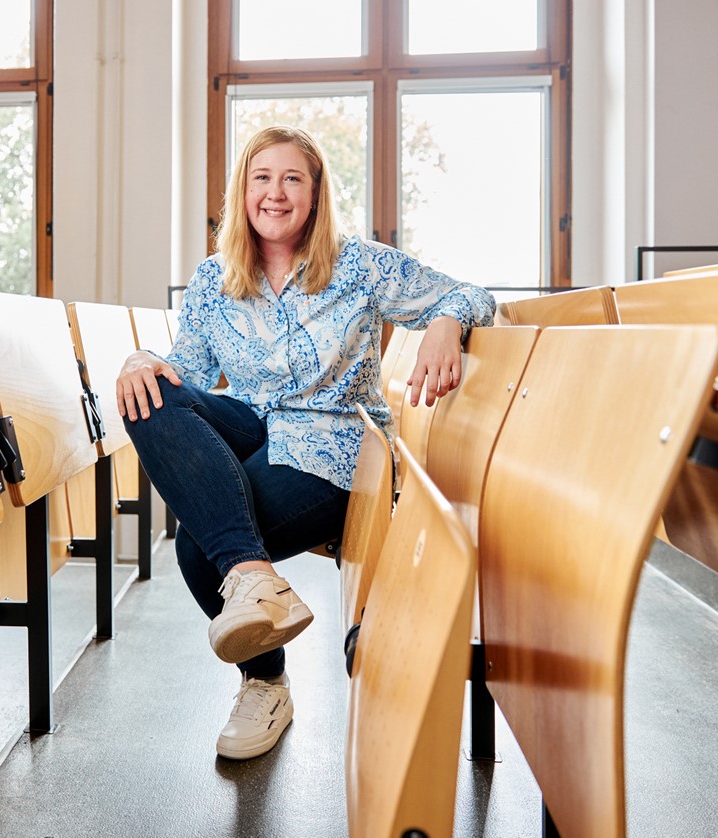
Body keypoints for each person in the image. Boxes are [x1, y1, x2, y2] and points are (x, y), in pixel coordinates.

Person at [115, 125, 495, 761]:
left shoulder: (361, 265)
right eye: (262, 178)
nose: (275, 193)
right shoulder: (213, 281)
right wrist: (138, 358)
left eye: (293, 179)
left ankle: (263, 678)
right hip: (253, 426)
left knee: (195, 548)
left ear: (315, 195)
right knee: (149, 393)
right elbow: (189, 369)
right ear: (243, 192)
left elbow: (471, 294)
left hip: (340, 445)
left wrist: (447, 322)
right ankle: (256, 580)